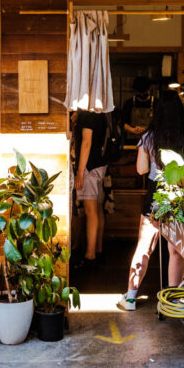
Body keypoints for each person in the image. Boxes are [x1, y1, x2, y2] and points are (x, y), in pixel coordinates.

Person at [117, 91, 184, 310]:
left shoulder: (149, 137)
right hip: (181, 196)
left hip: (155, 194)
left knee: (145, 246)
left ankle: (131, 297)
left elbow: (142, 169)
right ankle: (173, 299)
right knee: (175, 250)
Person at [73, 109, 108, 269]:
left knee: (90, 210)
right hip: (100, 164)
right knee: (98, 208)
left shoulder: (87, 114)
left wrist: (80, 172)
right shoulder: (101, 111)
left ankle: (90, 255)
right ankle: (98, 249)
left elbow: (86, 142)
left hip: (89, 166)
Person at [121, 76, 154, 145]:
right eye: (140, 92)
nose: (142, 94)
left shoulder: (156, 103)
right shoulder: (129, 103)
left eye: (144, 91)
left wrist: (148, 130)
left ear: (149, 89)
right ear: (136, 91)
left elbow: (161, 123)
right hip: (132, 140)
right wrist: (132, 129)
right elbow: (122, 123)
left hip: (151, 140)